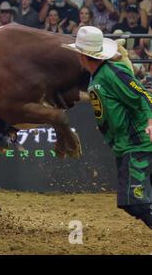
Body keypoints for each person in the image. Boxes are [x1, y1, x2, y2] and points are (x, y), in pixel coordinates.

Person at [62, 26, 152, 230]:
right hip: (127, 145)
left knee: (135, 202)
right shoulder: (101, 75)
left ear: (83, 56)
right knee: (136, 201)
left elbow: (143, 95)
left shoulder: (111, 74)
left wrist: (150, 121)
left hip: (136, 145)